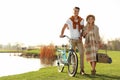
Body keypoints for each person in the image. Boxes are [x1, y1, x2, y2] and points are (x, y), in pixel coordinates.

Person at [60, 7, 85, 75]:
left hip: (79, 39)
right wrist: (61, 34)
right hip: (72, 39)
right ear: (73, 11)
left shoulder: (81, 20)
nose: (76, 12)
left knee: (82, 53)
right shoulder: (69, 20)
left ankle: (82, 70)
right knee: (72, 54)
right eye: (75, 11)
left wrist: (81, 35)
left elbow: (82, 29)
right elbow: (64, 27)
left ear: (78, 12)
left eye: (77, 11)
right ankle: (74, 69)